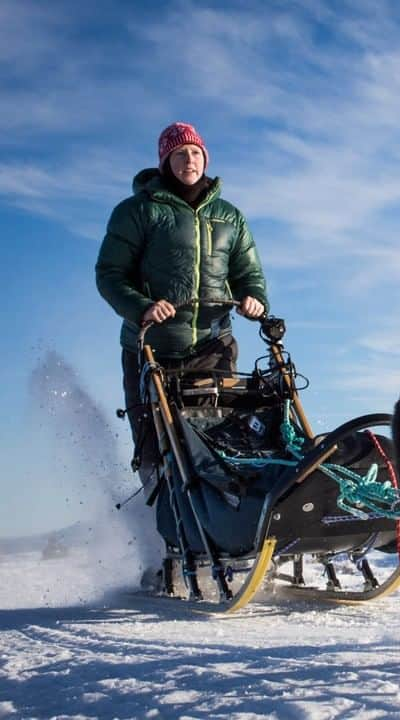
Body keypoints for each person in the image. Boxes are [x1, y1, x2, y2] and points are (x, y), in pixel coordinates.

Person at [96, 121, 269, 492]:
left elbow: (248, 273)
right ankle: (161, 525)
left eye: (194, 152)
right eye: (179, 153)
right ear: (165, 162)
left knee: (218, 437)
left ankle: (227, 520)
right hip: (149, 348)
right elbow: (110, 274)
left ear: (204, 158)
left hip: (212, 345)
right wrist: (142, 307)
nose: (188, 159)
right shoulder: (137, 211)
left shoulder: (230, 217)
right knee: (154, 445)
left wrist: (254, 298)